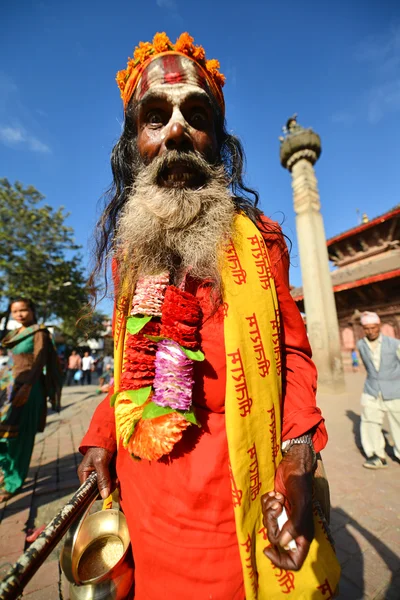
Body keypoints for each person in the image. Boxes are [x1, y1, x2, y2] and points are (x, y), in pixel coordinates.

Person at [78, 32, 339, 599]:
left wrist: (298, 459)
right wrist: (100, 436)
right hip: (145, 507)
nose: (176, 131)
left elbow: (293, 355)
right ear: (133, 144)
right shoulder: (131, 254)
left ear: (217, 141)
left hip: (233, 508)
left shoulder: (262, 243)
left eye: (195, 115)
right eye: (155, 117)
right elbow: (126, 364)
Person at [0, 298, 63, 501]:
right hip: (8, 388)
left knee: (20, 437)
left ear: (32, 310)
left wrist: (26, 388)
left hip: (28, 388)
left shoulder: (39, 333)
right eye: (15, 311)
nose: (19, 314)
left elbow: (38, 363)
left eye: (23, 310)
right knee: (5, 434)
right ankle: (8, 471)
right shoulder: (14, 334)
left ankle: (13, 483)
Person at [357, 311, 400, 469]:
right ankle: (376, 455)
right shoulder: (361, 345)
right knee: (370, 422)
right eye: (366, 328)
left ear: (379, 326)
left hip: (395, 389)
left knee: (398, 423)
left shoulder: (394, 344)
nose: (370, 331)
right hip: (372, 389)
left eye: (373, 327)